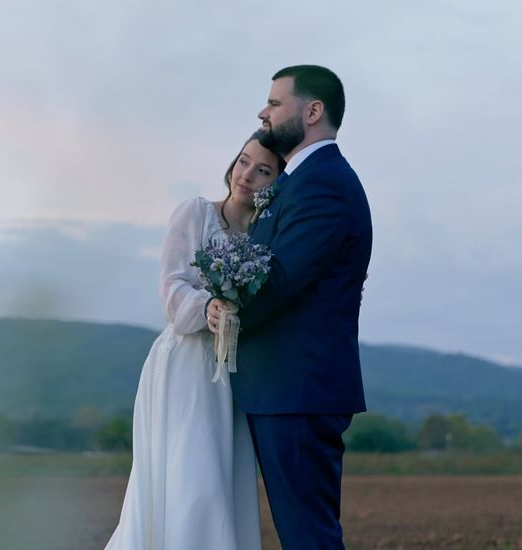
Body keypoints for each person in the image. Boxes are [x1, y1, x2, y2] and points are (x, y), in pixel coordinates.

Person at [207, 65, 372, 549]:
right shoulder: (301, 181)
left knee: (308, 537)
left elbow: (280, 283)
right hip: (284, 389)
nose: (264, 111)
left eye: (275, 103)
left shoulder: (321, 183)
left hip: (298, 389)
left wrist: (218, 313)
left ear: (313, 111)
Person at [105, 131, 285, 550]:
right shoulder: (196, 213)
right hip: (186, 364)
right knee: (191, 478)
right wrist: (209, 308)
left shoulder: (268, 236)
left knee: (222, 481)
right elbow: (171, 289)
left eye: (263, 171)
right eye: (243, 161)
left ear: (276, 182)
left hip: (234, 372)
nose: (247, 176)